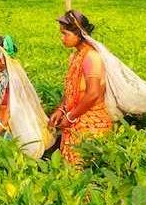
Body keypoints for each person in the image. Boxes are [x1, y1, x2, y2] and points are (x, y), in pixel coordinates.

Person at [49, 10, 114, 166]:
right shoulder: (76, 56)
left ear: (78, 34)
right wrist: (60, 109)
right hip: (76, 119)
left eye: (65, 34)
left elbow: (93, 94)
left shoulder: (91, 57)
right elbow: (72, 90)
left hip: (91, 124)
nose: (62, 38)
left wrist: (70, 117)